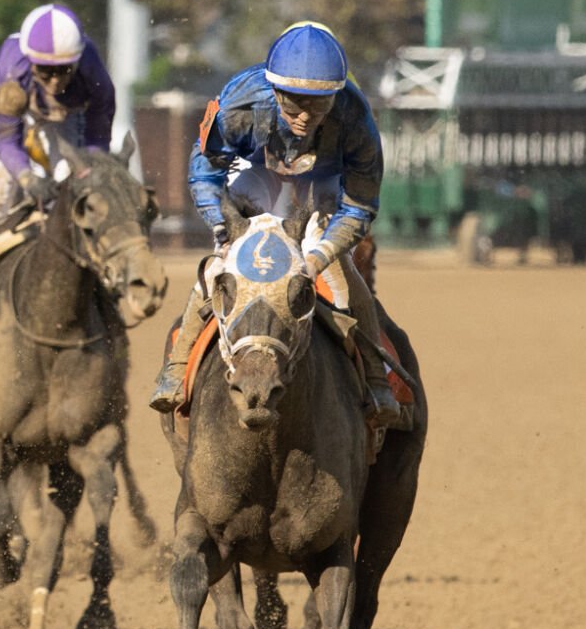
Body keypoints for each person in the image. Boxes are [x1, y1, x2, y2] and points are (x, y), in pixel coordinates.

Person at [147, 21, 400, 424]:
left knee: (343, 276)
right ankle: (176, 371)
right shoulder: (238, 103)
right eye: (293, 102)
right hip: (253, 176)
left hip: (321, 187)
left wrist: (317, 258)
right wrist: (224, 231)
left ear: (336, 94)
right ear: (273, 89)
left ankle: (377, 382)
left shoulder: (356, 116)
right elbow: (205, 173)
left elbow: (360, 206)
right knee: (220, 269)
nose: (305, 116)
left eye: (319, 104)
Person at [0, 3, 116, 336]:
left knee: (79, 193)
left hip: (66, 115)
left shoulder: (93, 74)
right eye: (46, 71)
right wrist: (28, 178)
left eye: (64, 70)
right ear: (31, 61)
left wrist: (84, 175)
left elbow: (97, 140)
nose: (56, 80)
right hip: (7, 111)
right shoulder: (12, 72)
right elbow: (7, 141)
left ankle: (106, 290)